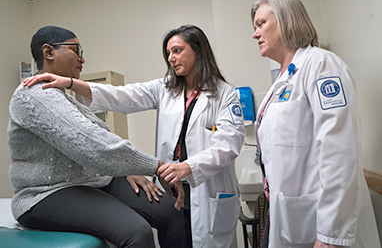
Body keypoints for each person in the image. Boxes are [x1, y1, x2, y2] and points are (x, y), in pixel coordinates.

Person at [24, 24, 247, 248]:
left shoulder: (225, 94)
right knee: (175, 231)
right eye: (168, 53)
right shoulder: (165, 88)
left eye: (177, 50)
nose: (171, 58)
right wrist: (72, 83)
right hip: (172, 182)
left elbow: (228, 145)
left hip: (205, 185)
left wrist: (187, 167)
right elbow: (123, 96)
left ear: (198, 51)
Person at [9, 25, 188, 248]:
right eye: (76, 50)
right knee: (137, 232)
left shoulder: (65, 98)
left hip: (90, 182)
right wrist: (156, 166)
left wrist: (126, 169)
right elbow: (93, 145)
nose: (82, 59)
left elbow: (101, 138)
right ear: (48, 52)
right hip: (46, 194)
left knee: (170, 211)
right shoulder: (34, 95)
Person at [250, 0, 381, 248]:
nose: (255, 34)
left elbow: (340, 150)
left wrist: (331, 234)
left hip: (322, 226)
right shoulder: (283, 81)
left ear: (287, 21)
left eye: (261, 23)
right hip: (290, 216)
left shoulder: (322, 66)